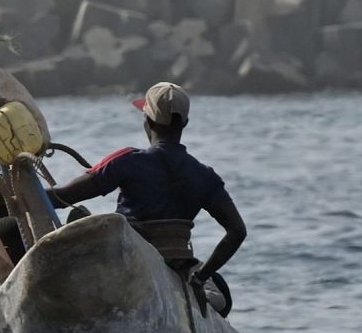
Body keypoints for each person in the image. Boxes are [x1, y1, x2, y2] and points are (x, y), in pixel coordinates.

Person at [48, 82, 246, 301]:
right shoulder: (204, 175)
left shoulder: (126, 161)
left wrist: (15, 189)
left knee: (80, 218)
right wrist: (200, 278)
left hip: (130, 260)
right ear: (185, 123)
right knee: (220, 291)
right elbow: (237, 231)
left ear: (147, 121)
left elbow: (62, 197)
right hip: (178, 262)